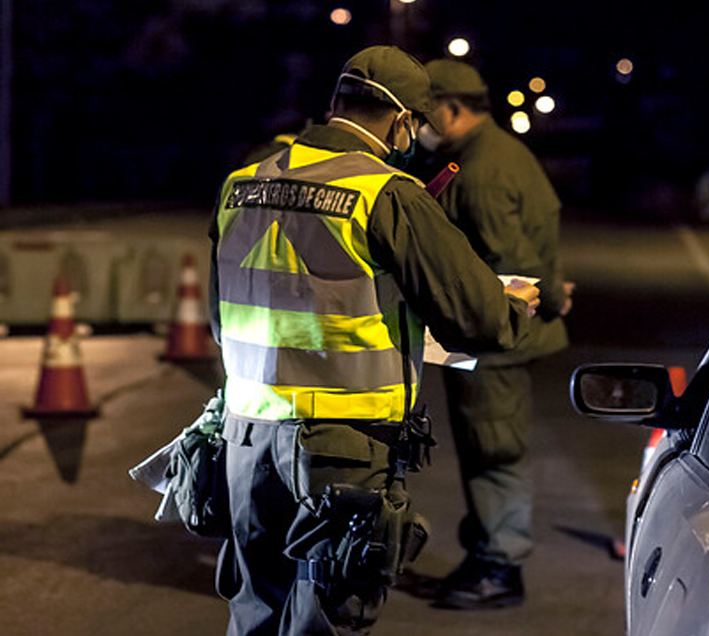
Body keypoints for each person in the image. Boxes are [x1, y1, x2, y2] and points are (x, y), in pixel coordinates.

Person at [207, 45, 540, 636]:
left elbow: (221, 316)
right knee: (328, 618)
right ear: (400, 120)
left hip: (247, 440)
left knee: (256, 606)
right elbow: (477, 319)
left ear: (336, 103)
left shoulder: (243, 183)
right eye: (415, 126)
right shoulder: (388, 194)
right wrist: (514, 306)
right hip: (343, 448)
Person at [420, 59, 572, 610]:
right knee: (484, 446)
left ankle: (499, 565)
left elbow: (514, 263)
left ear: (452, 107)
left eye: (424, 110)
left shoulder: (482, 171)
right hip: (484, 338)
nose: (418, 122)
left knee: (493, 450)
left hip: (494, 342)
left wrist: (551, 296)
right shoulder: (487, 155)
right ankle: (487, 551)